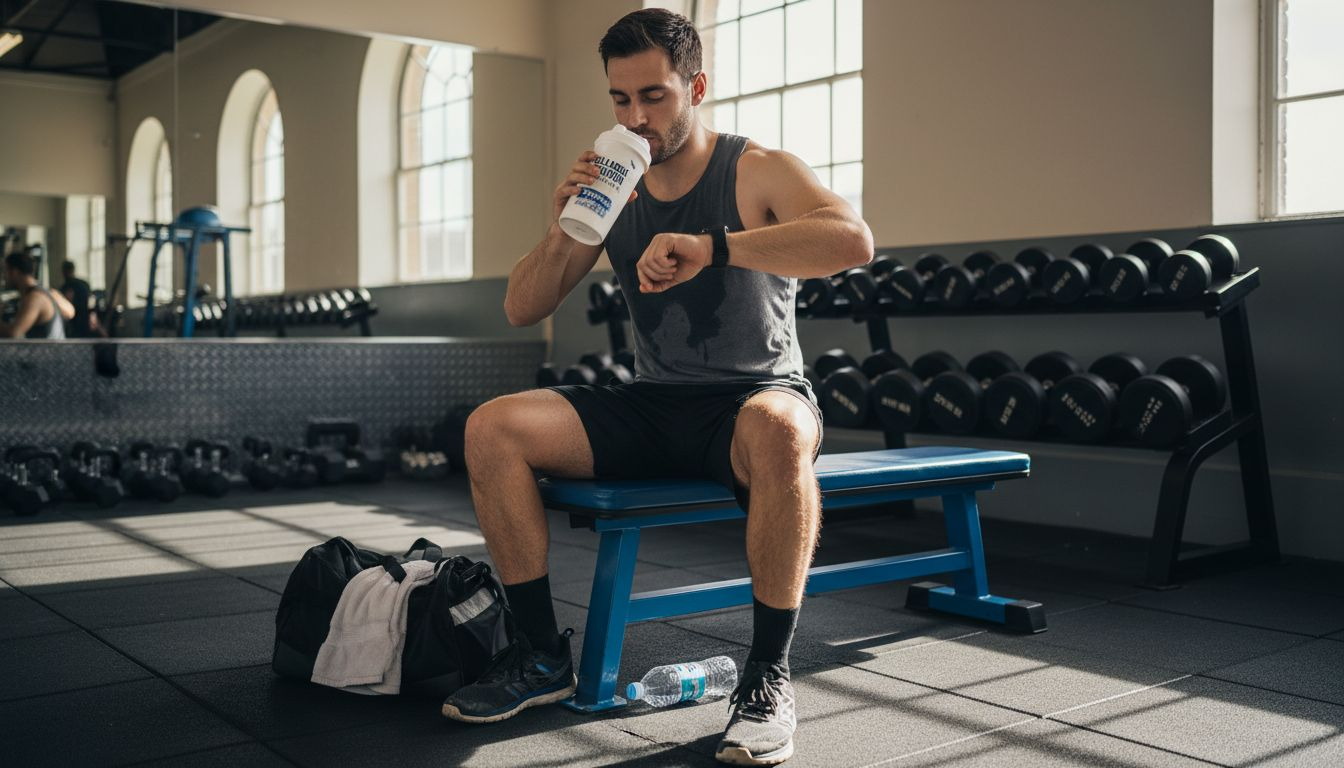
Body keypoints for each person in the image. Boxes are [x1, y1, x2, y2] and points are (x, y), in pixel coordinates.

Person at [442, 8, 872, 765]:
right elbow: (521, 305)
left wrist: (713, 247)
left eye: (655, 97)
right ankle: (542, 656)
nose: (636, 117)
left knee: (778, 429)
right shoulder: (615, 186)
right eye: (619, 99)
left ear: (695, 87)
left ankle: (768, 676)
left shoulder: (754, 167)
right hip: (654, 401)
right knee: (492, 426)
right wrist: (564, 225)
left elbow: (852, 241)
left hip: (754, 397)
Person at [1, 250, 75, 339]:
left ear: (15, 272)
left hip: (47, 352)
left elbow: (13, 333)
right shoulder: (41, 292)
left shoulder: (35, 298)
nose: (3, 277)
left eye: (5, 272)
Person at [60, 262, 95, 338]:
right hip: (85, 319)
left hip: (75, 321)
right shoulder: (84, 284)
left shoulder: (67, 286)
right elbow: (92, 301)